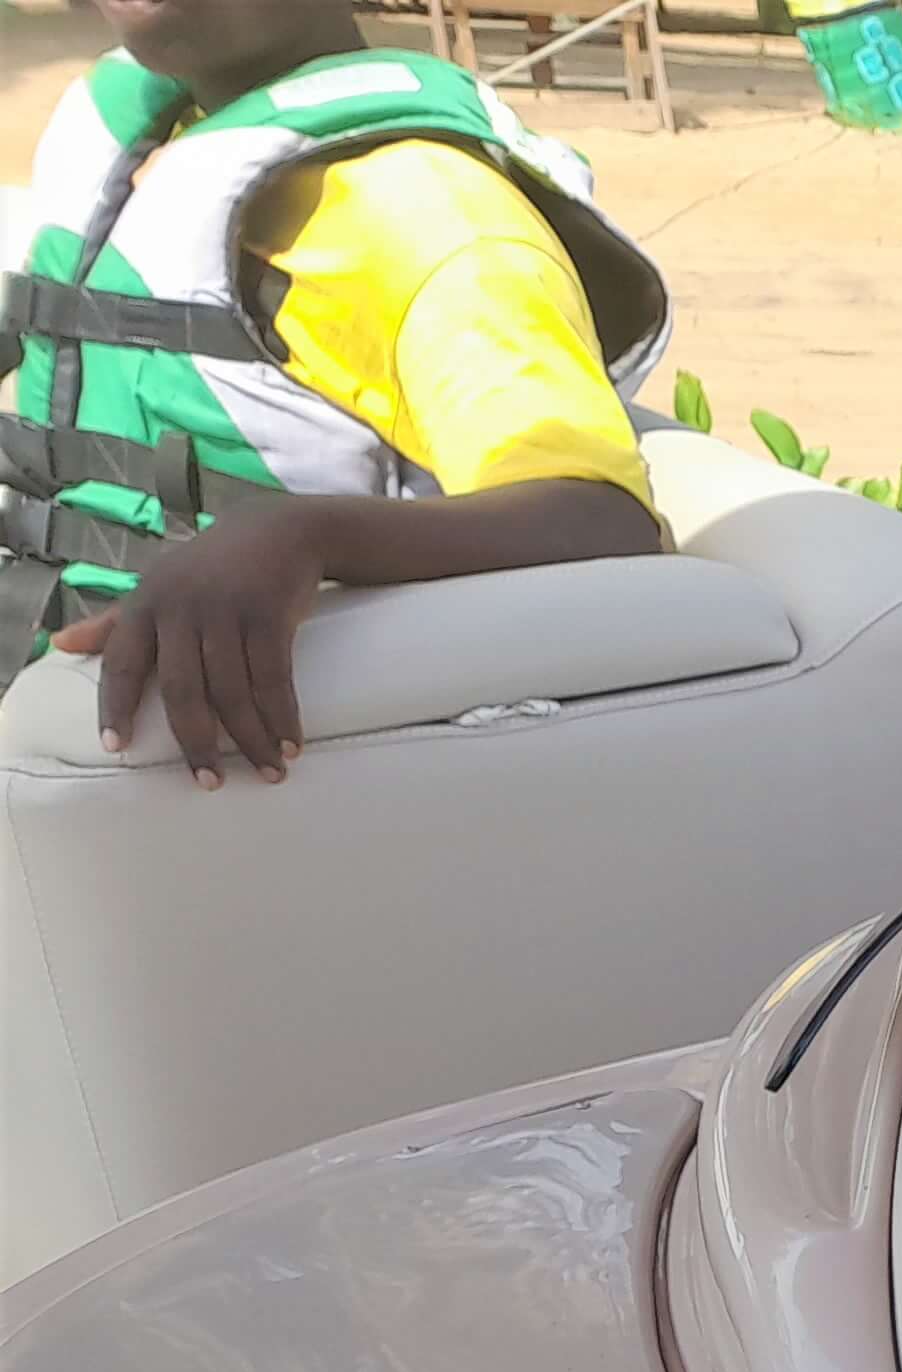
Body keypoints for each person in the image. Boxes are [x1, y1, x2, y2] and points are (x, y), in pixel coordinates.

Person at [6, 0, 673, 786]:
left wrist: (305, 536)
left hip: (187, 767)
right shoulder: (153, 126)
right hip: (37, 663)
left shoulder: (426, 210)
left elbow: (606, 521)